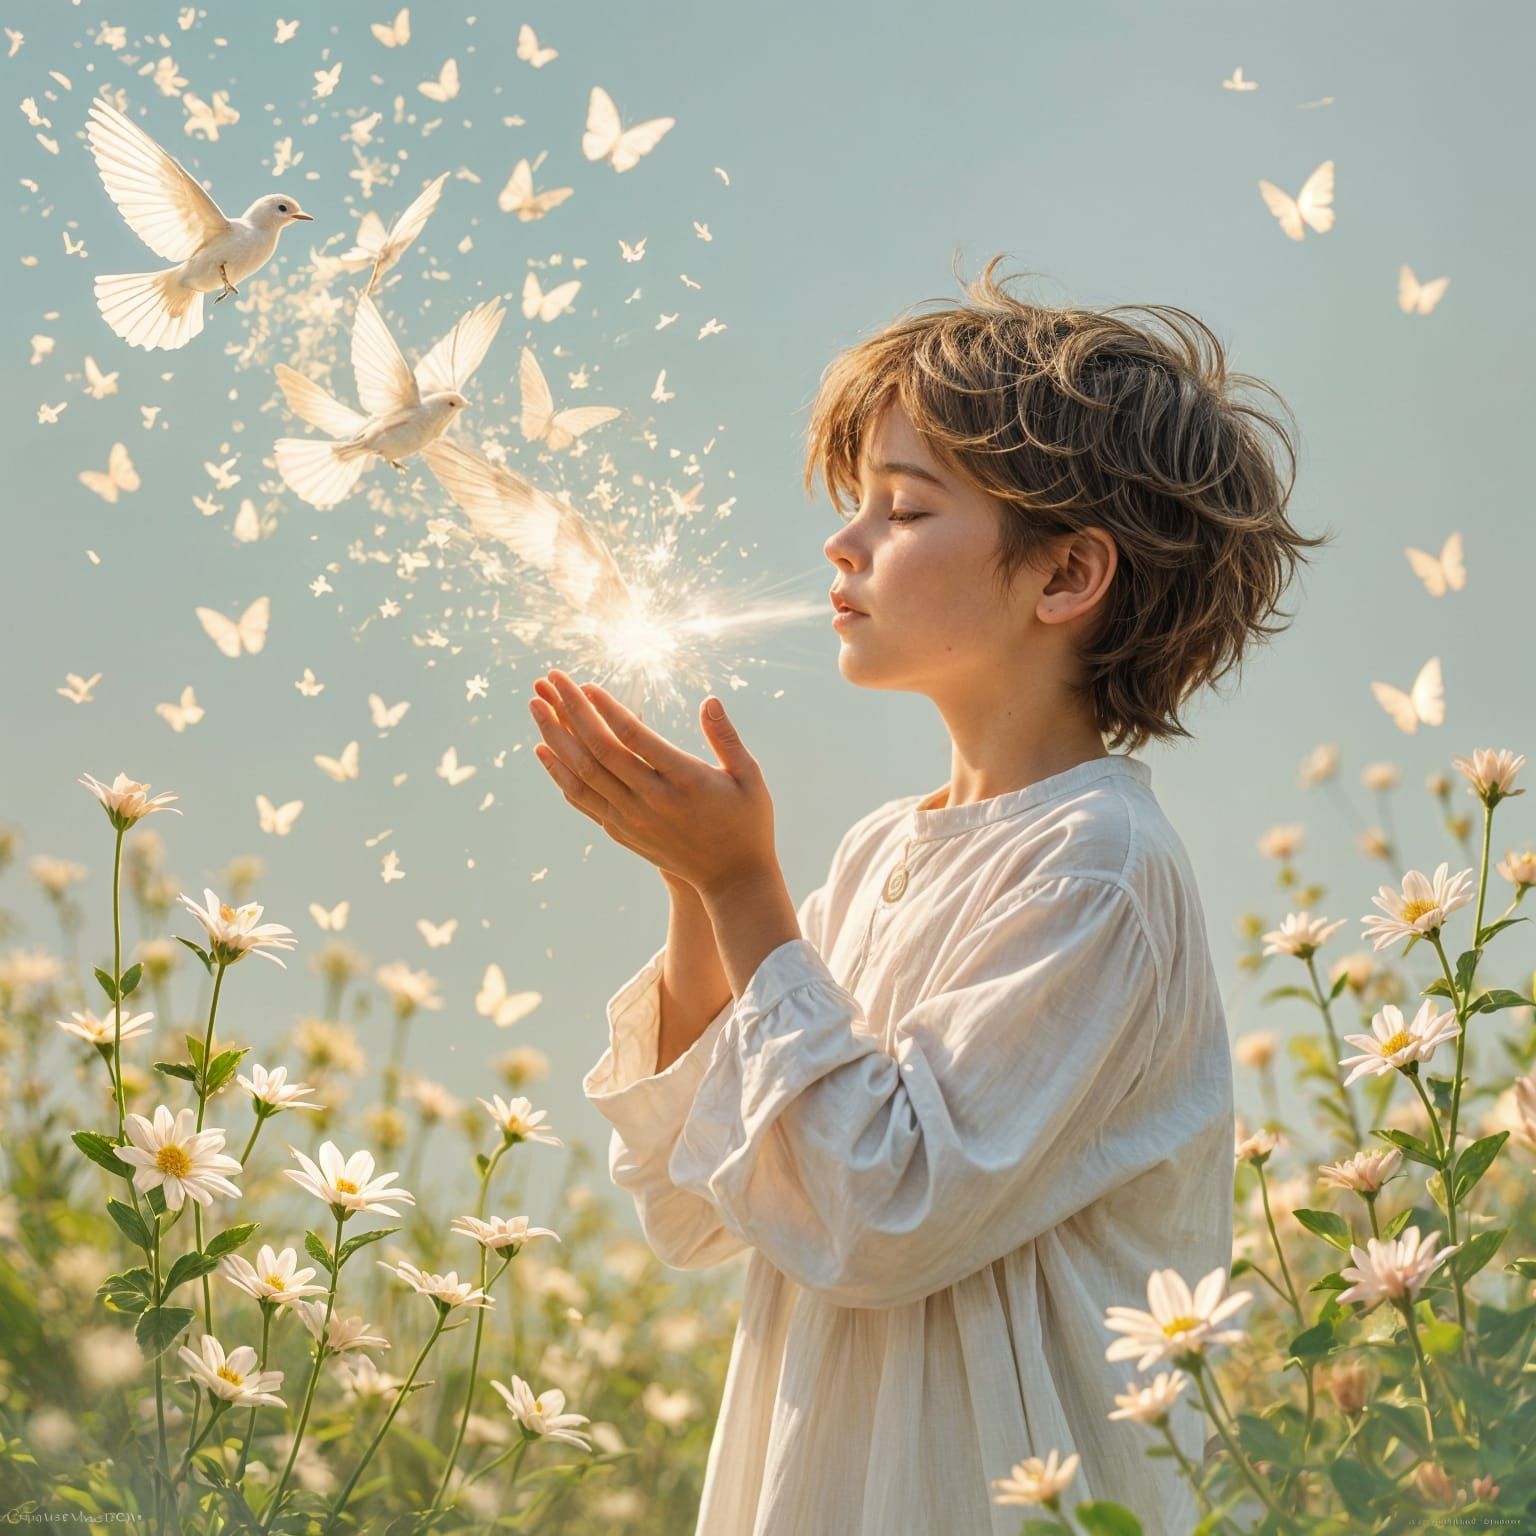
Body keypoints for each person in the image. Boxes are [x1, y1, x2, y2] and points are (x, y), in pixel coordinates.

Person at [530, 255, 1332, 1534]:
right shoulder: (876, 854)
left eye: (903, 511)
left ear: (1066, 578)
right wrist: (699, 886)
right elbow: (696, 1203)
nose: (843, 543)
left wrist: (745, 887)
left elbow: (883, 1213)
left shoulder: (1097, 868)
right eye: (858, 504)